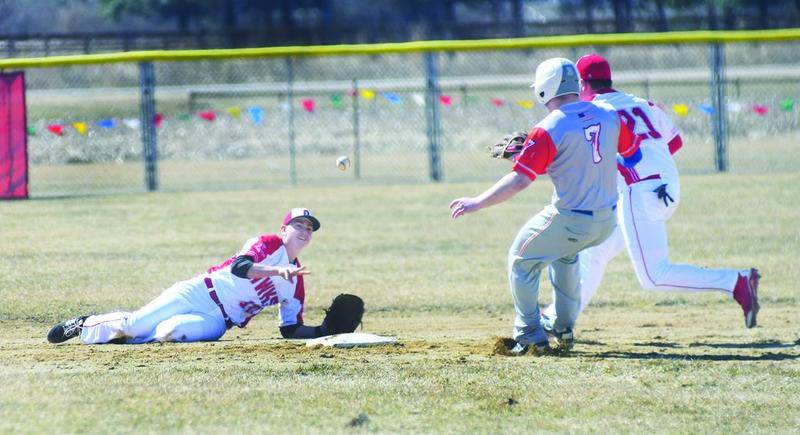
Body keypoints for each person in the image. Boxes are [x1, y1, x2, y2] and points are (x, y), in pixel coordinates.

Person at [541, 54, 760, 332]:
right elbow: (675, 143)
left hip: (639, 191)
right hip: (665, 185)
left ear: (583, 83)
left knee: (653, 276)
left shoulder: (595, 111)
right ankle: (558, 318)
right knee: (594, 252)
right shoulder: (642, 103)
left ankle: (737, 282)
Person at [449, 57, 641, 355]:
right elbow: (631, 152)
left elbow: (520, 181)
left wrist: (477, 202)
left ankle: (529, 333)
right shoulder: (609, 113)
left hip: (572, 218)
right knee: (564, 257)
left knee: (520, 260)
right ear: (577, 84)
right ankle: (563, 327)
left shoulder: (548, 127)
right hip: (606, 221)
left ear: (542, 91)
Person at [48, 208, 334, 344]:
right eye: (299, 224)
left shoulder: (295, 281)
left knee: (167, 333)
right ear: (284, 229)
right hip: (198, 292)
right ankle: (86, 324)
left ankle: (118, 338)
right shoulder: (268, 244)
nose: (305, 230)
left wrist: (323, 331)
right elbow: (240, 268)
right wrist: (276, 270)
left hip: (217, 321)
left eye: (310, 228)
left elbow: (290, 329)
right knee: (135, 324)